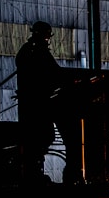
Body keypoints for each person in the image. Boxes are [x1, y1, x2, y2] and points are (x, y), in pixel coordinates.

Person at [15, 21, 85, 186]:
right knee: (43, 137)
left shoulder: (27, 51)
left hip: (34, 101)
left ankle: (34, 174)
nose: (48, 39)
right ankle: (40, 175)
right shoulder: (37, 51)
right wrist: (70, 80)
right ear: (43, 34)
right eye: (47, 35)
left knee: (40, 138)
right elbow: (53, 72)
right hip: (40, 102)